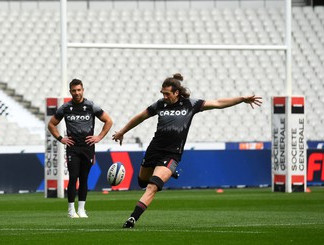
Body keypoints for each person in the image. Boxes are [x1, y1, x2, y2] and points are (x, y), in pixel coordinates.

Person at [112, 73, 262, 228]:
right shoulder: (159, 105)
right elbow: (140, 117)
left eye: (167, 93)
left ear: (176, 93)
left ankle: (132, 219)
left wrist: (242, 99)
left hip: (172, 153)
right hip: (154, 149)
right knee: (142, 181)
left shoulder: (191, 104)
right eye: (162, 93)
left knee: (153, 186)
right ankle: (169, 171)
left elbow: (217, 102)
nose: (164, 96)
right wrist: (122, 131)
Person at [48, 79, 113, 218]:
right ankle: (71, 210)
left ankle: (82, 209)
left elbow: (108, 120)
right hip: (72, 147)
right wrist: (61, 139)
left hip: (88, 147)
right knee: (73, 177)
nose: (77, 93)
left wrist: (99, 137)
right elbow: (51, 124)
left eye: (79, 90)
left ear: (83, 90)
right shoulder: (65, 108)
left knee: (84, 178)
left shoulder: (91, 106)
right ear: (70, 91)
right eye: (74, 90)